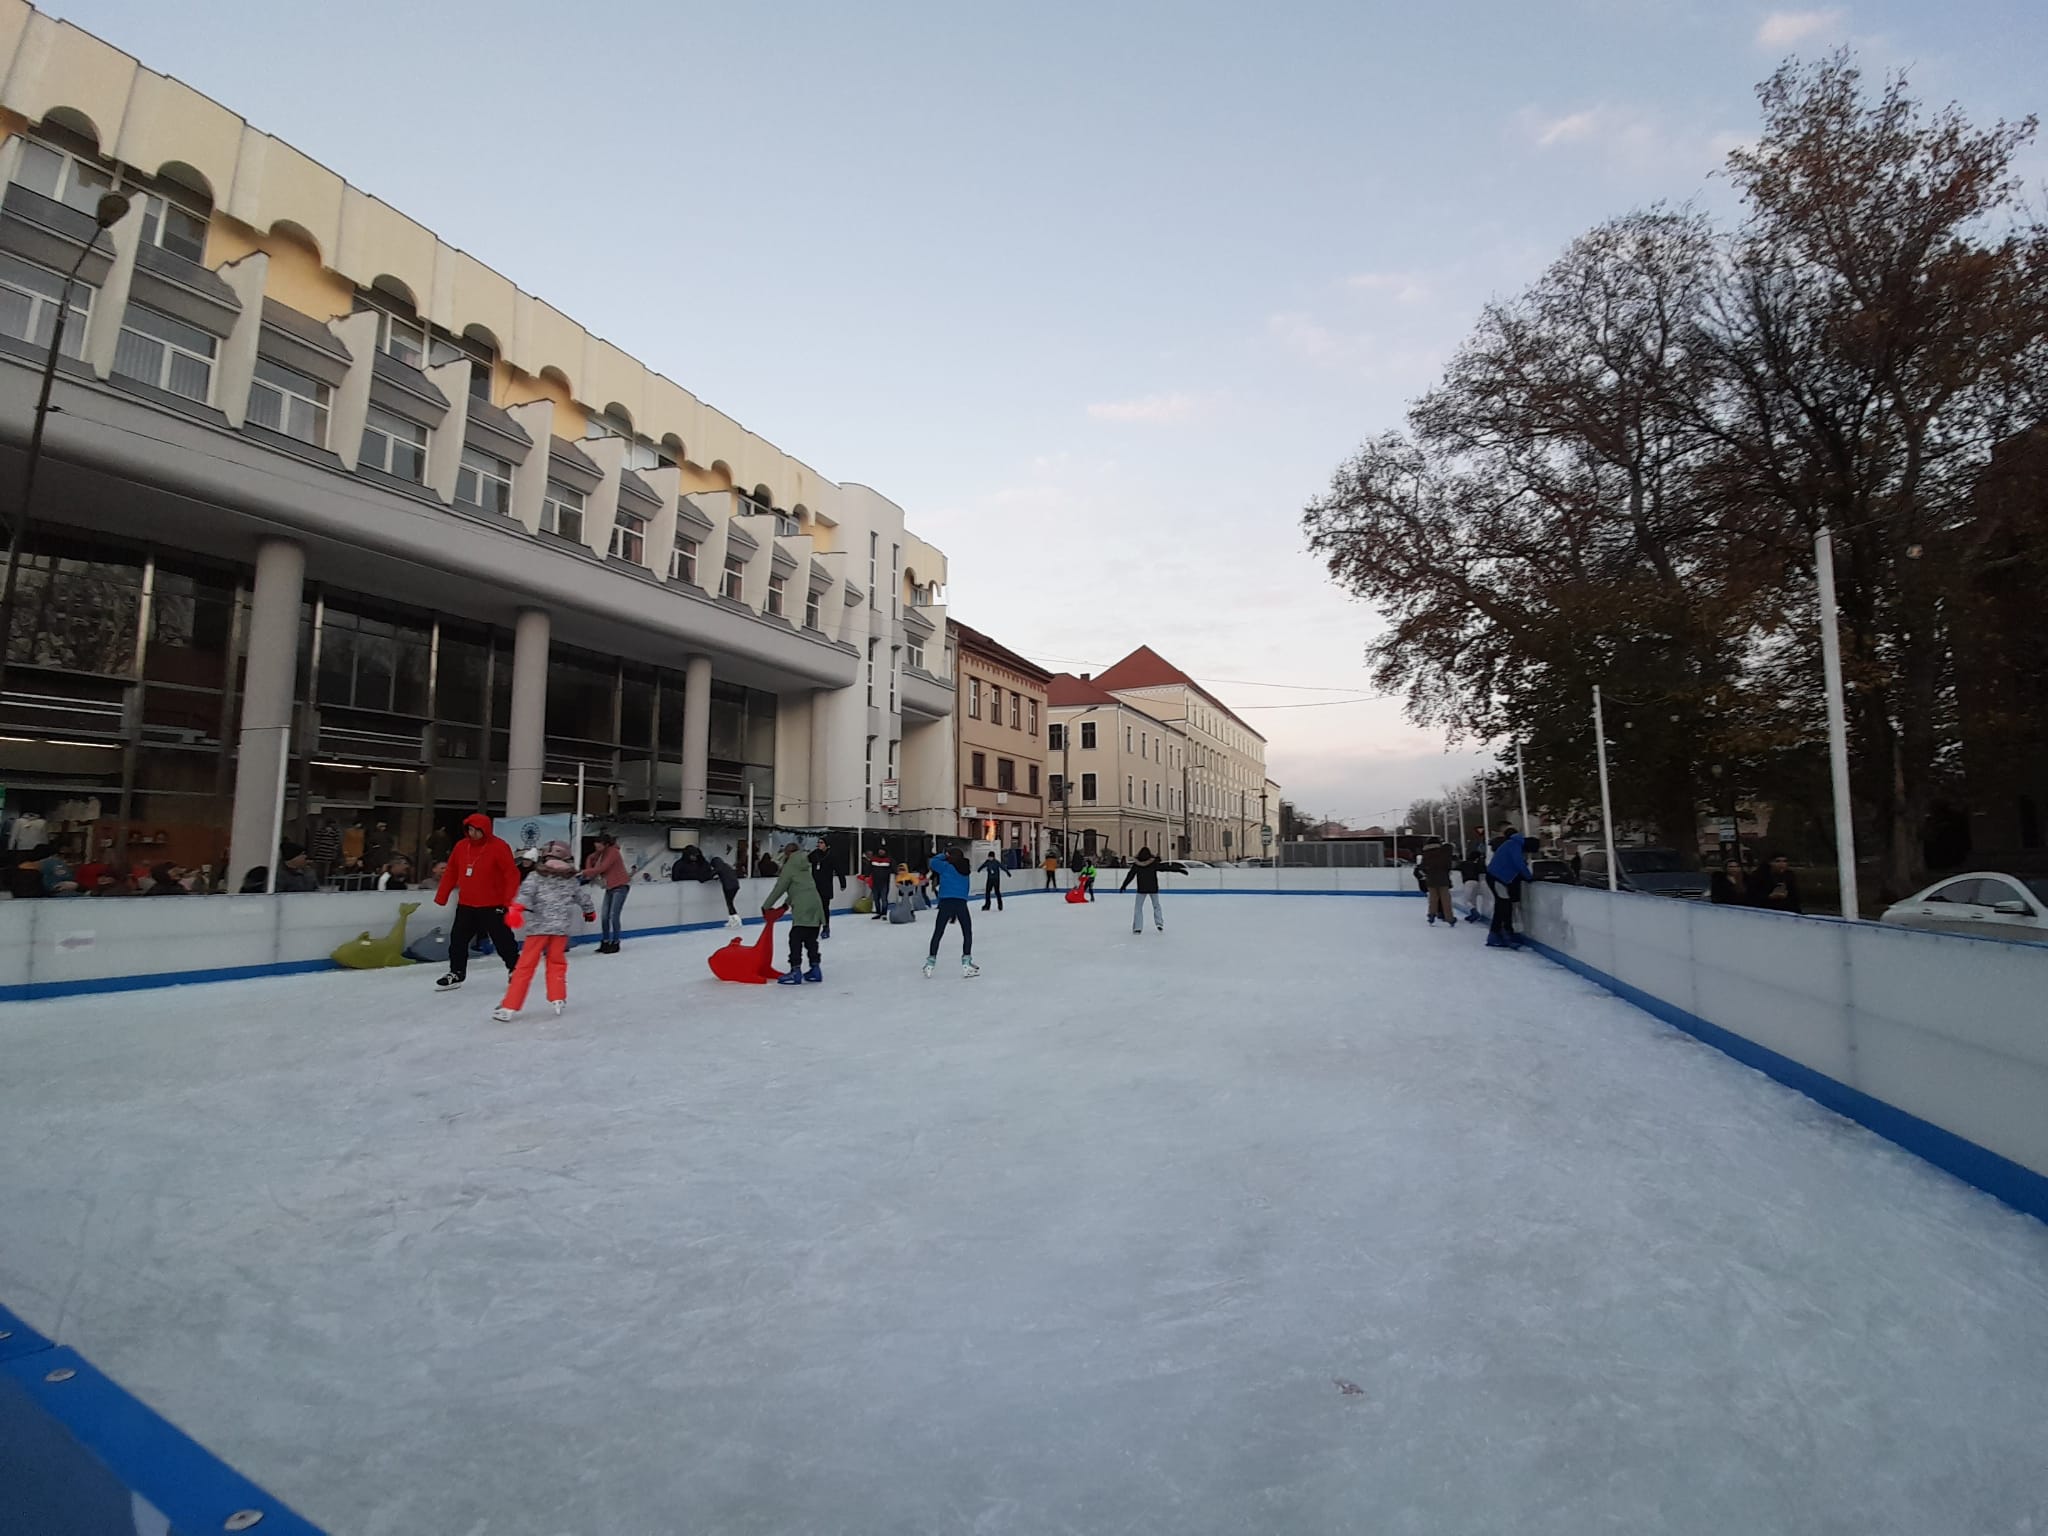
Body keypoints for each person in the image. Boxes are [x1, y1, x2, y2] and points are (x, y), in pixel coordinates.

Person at [492, 841, 594, 1021]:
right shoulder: (570, 879)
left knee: (525, 967)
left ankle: (509, 1006)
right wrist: (589, 911)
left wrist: (516, 908)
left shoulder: (536, 876)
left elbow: (525, 894)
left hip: (539, 928)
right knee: (556, 963)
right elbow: (582, 897)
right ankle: (558, 997)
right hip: (560, 929)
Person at [432, 813, 520, 991]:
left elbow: (511, 875)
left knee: (503, 940)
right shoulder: (461, 846)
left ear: (485, 830)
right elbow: (451, 872)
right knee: (458, 940)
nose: (473, 833)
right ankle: (456, 972)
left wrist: (507, 901)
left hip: (493, 904)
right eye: (470, 829)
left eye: (477, 830)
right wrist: (442, 895)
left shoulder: (499, 847)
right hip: (467, 904)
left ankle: (516, 968)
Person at [765, 841, 827, 984]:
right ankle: (815, 969)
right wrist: (787, 904)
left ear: (787, 853)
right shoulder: (806, 864)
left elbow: (780, 887)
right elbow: (799, 886)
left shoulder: (790, 865)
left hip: (802, 906)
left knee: (795, 938)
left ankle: (795, 971)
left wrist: (766, 906)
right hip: (816, 903)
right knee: (811, 938)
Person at [922, 843, 978, 978]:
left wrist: (944, 854)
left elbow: (933, 861)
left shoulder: (945, 867)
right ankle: (966, 962)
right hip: (960, 902)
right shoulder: (965, 869)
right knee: (967, 931)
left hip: (946, 901)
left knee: (938, 932)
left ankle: (930, 963)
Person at [582, 831, 631, 954]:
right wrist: (588, 866)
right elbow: (591, 859)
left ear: (605, 844)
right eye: (595, 845)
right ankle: (605, 941)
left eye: (598, 845)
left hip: (620, 886)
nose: (596, 847)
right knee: (604, 916)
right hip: (610, 887)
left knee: (613, 916)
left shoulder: (613, 852)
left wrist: (586, 872)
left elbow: (602, 868)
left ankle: (615, 942)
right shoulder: (602, 853)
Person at [1485, 823, 1532, 949]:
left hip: (1495, 877)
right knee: (1504, 906)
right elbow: (1519, 863)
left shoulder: (1509, 844)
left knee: (1502, 905)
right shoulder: (1514, 845)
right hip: (1497, 878)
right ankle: (1500, 934)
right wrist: (1529, 877)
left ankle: (1499, 933)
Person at [1120, 845, 1166, 933]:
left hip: (1142, 889)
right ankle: (1159, 923)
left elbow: (1130, 875)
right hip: (1153, 888)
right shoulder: (1153, 863)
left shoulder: (1137, 864)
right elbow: (1165, 868)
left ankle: (1138, 927)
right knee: (1156, 906)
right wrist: (1178, 869)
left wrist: (1124, 885)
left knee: (1138, 908)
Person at [808, 842, 846, 939]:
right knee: (814, 908)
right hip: (814, 886)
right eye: (818, 842)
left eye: (821, 843)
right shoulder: (814, 854)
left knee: (824, 908)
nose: (819, 844)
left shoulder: (832, 856)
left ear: (827, 845)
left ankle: (825, 927)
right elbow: (804, 862)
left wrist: (843, 883)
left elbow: (839, 869)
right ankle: (814, 928)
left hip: (826, 886)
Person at [1419, 838, 1457, 926]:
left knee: (1433, 899)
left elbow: (1422, 866)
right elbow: (1448, 862)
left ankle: (1431, 915)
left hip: (1431, 878)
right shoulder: (1443, 851)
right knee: (1445, 899)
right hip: (1443, 878)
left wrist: (1427, 873)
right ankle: (1449, 918)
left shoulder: (1426, 853)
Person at [706, 853, 743, 928]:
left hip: (728, 887)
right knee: (729, 903)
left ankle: (736, 919)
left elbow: (710, 874)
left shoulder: (719, 867)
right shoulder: (726, 866)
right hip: (735, 885)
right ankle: (732, 920)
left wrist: (705, 877)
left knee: (729, 903)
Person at [1457, 846, 1487, 923]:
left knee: (1465, 900)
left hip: (1468, 882)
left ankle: (1474, 912)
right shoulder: (1477, 865)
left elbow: (1455, 868)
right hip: (1476, 882)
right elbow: (1483, 871)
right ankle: (1473, 915)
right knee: (1473, 900)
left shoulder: (1464, 864)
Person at [867, 846, 894, 921]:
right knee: (876, 898)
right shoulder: (873, 859)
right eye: (880, 850)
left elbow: (894, 869)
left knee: (884, 898)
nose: (881, 852)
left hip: (884, 882)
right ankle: (878, 913)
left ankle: (884, 913)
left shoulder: (889, 860)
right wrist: (866, 875)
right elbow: (869, 868)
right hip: (875, 882)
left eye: (882, 850)